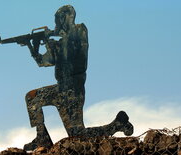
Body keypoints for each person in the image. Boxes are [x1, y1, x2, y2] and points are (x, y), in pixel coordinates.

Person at [22, 5, 134, 151]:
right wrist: (33, 47)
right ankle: (42, 139)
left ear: (65, 19)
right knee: (32, 98)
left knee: (77, 136)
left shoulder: (80, 30)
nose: (56, 25)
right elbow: (45, 62)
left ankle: (117, 125)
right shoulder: (61, 42)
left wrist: (49, 38)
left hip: (73, 91)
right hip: (61, 88)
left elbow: (70, 47)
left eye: (58, 21)